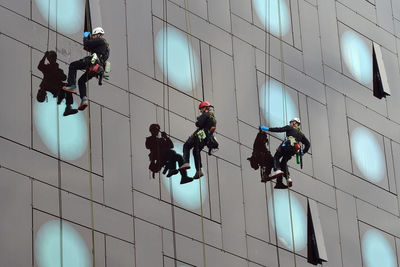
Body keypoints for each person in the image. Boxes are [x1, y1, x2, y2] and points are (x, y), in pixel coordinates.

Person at [63, 27, 110, 111]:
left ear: (99, 34)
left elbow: (87, 44)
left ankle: (72, 85)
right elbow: (90, 47)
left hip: (92, 62)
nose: (93, 37)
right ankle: (84, 100)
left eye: (94, 35)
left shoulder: (100, 40)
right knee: (81, 81)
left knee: (73, 65)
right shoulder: (106, 47)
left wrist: (85, 36)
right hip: (96, 68)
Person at [259, 118, 310, 187]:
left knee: (276, 157)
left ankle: (277, 170)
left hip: (287, 146)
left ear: (294, 123)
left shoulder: (289, 127)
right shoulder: (301, 134)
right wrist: (303, 152)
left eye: (291, 122)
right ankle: (288, 178)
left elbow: (279, 129)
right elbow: (308, 144)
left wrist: (267, 129)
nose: (290, 124)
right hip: (293, 151)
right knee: (283, 163)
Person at [179, 101, 217, 179]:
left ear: (205, 108)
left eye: (201, 108)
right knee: (196, 151)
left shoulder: (205, 115)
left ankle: (186, 162)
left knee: (186, 145)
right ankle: (199, 171)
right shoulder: (213, 117)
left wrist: (198, 120)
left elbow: (199, 124)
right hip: (206, 137)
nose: (200, 110)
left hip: (200, 134)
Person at [37, 51, 78, 116]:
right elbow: (40, 66)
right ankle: (66, 104)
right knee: (67, 87)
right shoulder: (49, 68)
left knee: (68, 87)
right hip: (55, 89)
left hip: (57, 89)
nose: (54, 59)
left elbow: (64, 78)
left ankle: (67, 107)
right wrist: (45, 56)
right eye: (52, 58)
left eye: (54, 58)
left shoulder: (53, 69)